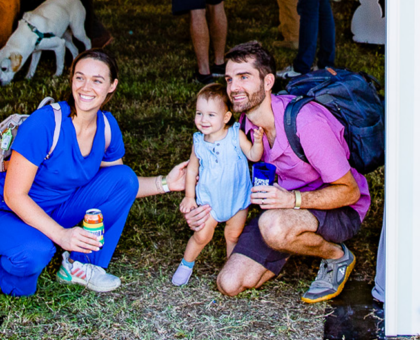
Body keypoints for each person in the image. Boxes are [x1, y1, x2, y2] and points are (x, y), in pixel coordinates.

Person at [183, 42, 368, 304]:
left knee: (273, 226)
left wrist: (292, 201)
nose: (233, 88)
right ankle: (289, 239)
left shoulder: (306, 123)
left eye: (244, 77)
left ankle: (336, 256)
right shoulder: (246, 124)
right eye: (229, 79)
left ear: (268, 81)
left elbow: (350, 191)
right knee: (229, 283)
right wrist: (199, 197)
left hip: (338, 209)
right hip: (282, 209)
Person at [0, 49, 189, 296]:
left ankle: (80, 266)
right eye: (80, 78)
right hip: (9, 211)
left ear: (112, 86)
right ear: (71, 79)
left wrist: (165, 183)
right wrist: (60, 235)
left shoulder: (107, 127)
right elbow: (14, 195)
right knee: (35, 255)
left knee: (123, 178)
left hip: (57, 208)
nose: (86, 87)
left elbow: (120, 185)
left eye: (97, 80)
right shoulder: (45, 123)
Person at [171, 82, 264, 286]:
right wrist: (189, 196)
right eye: (199, 113)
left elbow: (253, 156)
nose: (203, 120)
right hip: (209, 201)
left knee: (233, 235)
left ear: (226, 118)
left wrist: (257, 143)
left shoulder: (234, 135)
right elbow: (192, 170)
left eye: (211, 115)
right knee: (202, 235)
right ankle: (186, 264)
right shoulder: (199, 142)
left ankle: (231, 268)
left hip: (237, 198)